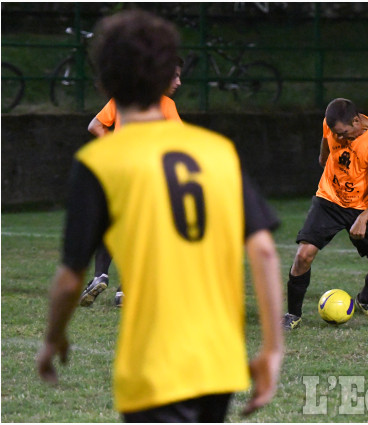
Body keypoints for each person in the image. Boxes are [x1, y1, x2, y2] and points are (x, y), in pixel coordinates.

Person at [36, 10, 283, 422]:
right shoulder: (217, 150)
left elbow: (66, 280)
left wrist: (53, 338)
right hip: (219, 362)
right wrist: (272, 349)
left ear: (103, 82)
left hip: (154, 367)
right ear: (168, 75)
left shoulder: (99, 163)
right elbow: (264, 252)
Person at [282, 98, 368, 330]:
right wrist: (325, 162)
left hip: (364, 205)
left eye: (344, 133)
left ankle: (365, 301)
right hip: (329, 199)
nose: (341, 138)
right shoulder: (332, 124)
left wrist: (363, 218)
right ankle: (293, 315)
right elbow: (325, 149)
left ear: (356, 120)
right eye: (337, 134)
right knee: (303, 255)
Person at [80, 57, 183, 308]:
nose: (179, 82)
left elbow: (95, 126)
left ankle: (100, 276)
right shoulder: (165, 105)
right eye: (175, 77)